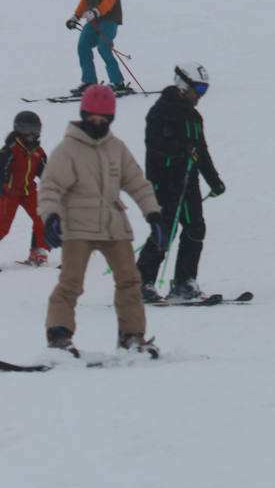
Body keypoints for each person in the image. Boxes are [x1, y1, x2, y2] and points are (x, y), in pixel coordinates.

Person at [38, 85, 163, 354]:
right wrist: (51, 217)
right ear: (83, 114)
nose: (97, 122)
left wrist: (152, 213)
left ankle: (132, 337)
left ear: (111, 119)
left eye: (103, 118)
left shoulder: (116, 148)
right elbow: (50, 187)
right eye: (92, 117)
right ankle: (59, 336)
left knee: (130, 281)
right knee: (71, 283)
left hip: (113, 225)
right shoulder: (68, 149)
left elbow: (137, 183)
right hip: (78, 227)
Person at [136, 62, 226, 301]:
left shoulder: (194, 117)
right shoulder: (161, 111)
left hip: (189, 181)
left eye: (204, 90)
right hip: (163, 182)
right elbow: (155, 146)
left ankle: (185, 282)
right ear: (182, 84)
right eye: (198, 88)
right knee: (164, 230)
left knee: (195, 228)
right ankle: (141, 283)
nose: (200, 95)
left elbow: (201, 151)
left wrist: (214, 181)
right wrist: (179, 151)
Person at [65, 0, 128, 95]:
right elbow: (84, 2)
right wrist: (75, 17)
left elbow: (109, 0)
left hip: (109, 19)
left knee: (104, 46)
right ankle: (89, 81)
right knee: (83, 45)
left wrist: (96, 12)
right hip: (94, 19)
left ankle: (117, 82)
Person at [0, 111, 49, 266]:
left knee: (43, 216)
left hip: (28, 190)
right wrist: (2, 185)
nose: (31, 134)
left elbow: (45, 172)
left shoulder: (38, 152)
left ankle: (37, 251)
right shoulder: (10, 149)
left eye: (35, 130)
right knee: (3, 226)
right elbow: (1, 169)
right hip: (9, 192)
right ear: (18, 130)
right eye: (27, 130)